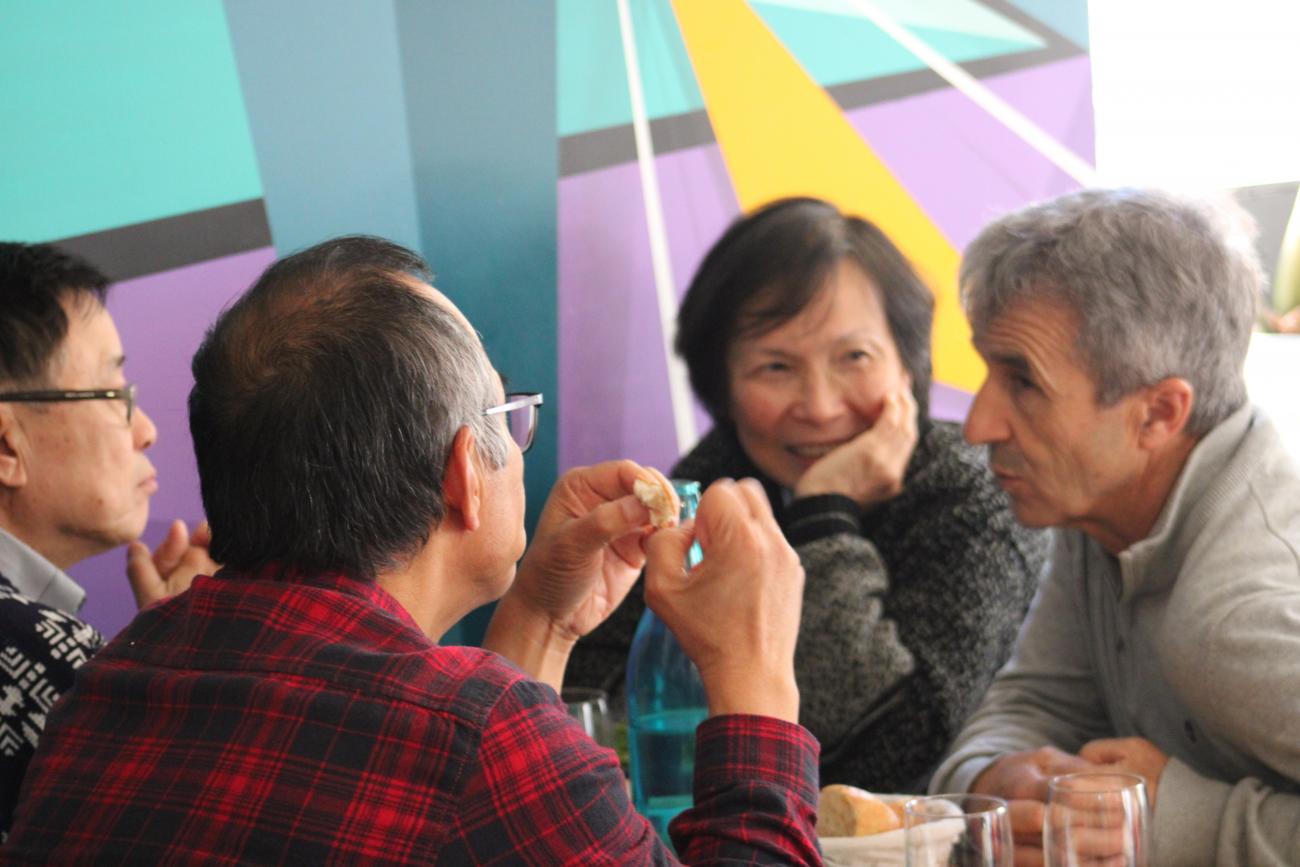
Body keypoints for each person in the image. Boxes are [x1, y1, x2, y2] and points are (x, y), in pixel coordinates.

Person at [4, 236, 821, 864]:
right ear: (466, 472)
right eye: (508, 417)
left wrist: (542, 619)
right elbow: (461, 762)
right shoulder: (482, 740)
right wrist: (754, 680)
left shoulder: (108, 685)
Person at [568, 197, 1051, 792]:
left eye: (855, 357)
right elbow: (597, 700)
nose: (820, 407)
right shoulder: (715, 477)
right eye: (776, 367)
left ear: (908, 366)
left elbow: (896, 752)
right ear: (723, 387)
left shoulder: (972, 493)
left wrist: (824, 512)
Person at [929, 188, 1300, 866]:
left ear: (1159, 414)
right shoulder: (1107, 503)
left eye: (1023, 382)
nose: (977, 425)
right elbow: (1039, 700)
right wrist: (993, 784)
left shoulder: (1235, 621)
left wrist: (1178, 822)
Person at [0, 242, 213, 838]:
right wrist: (195, 665)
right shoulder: (40, 659)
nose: (145, 431)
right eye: (115, 395)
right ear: (6, 445)